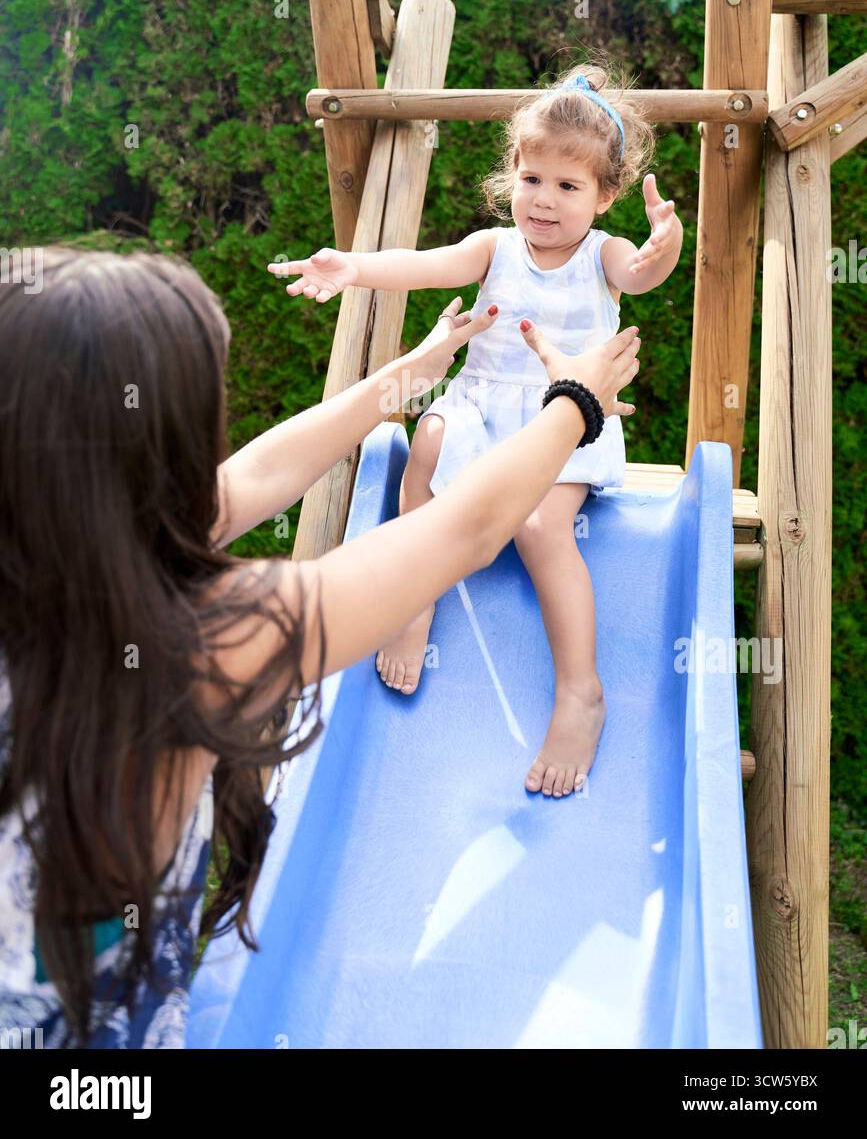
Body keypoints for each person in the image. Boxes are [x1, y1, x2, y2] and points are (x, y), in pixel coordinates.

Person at [0, 242, 641, 1047]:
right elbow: (465, 530)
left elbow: (261, 474)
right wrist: (574, 400)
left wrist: (410, 374)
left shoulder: (57, 550)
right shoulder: (194, 643)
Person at [267, 61, 683, 797]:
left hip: (562, 420)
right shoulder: (493, 248)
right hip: (483, 407)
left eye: (567, 187)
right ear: (512, 175)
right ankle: (412, 596)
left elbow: (643, 274)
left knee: (539, 529)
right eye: (531, 181)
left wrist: (663, 247)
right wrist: (352, 267)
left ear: (605, 195)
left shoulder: (602, 256)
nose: (543, 202)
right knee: (424, 443)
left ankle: (580, 691)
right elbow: (423, 265)